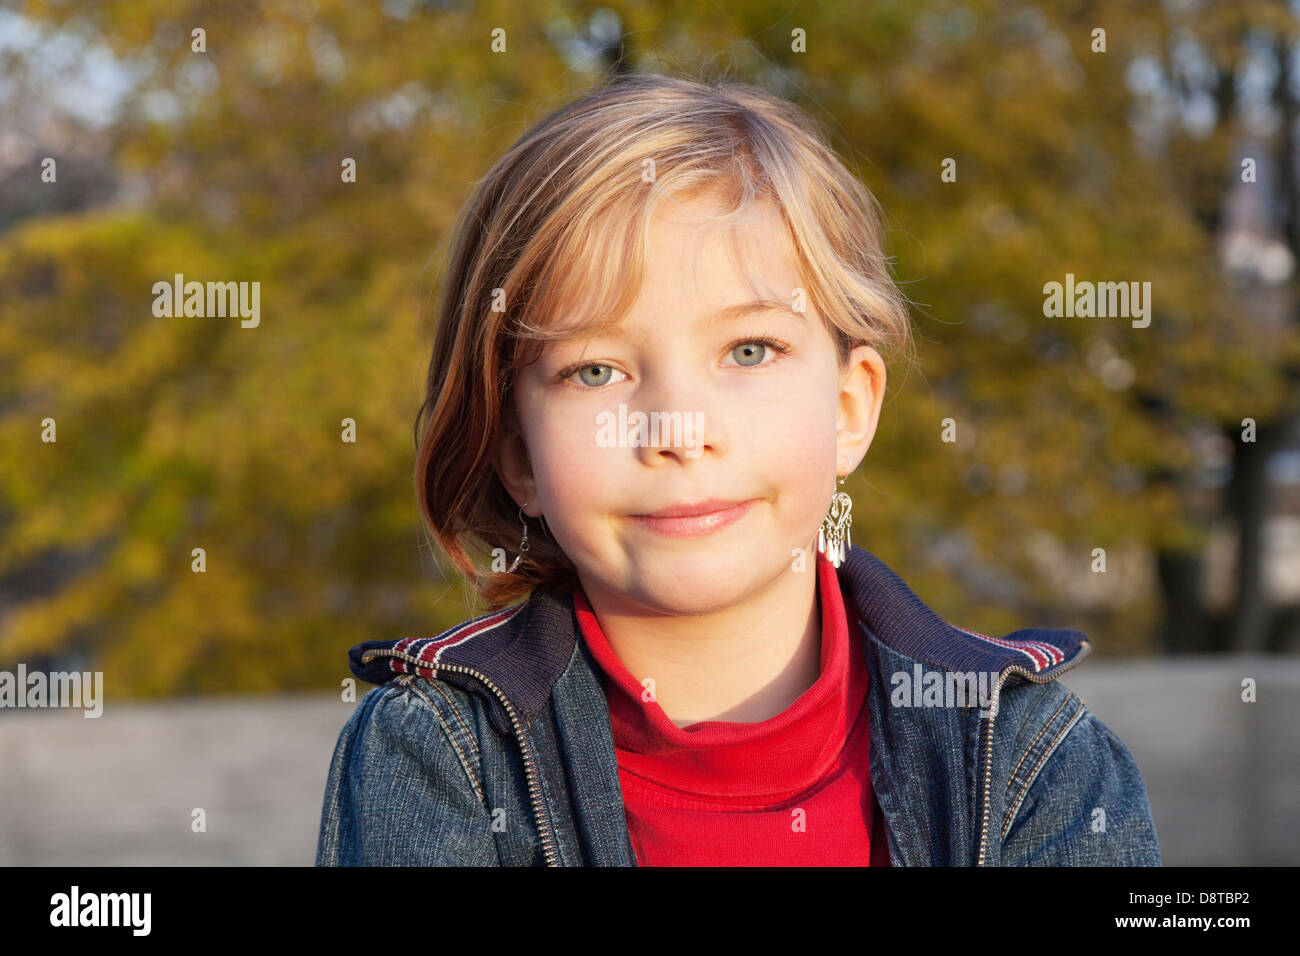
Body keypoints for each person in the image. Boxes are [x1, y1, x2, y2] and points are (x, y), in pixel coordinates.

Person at [315, 71, 1161, 866]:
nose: (681, 432)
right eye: (595, 370)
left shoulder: (1027, 758)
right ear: (518, 456)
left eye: (749, 350)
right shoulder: (438, 752)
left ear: (848, 407)